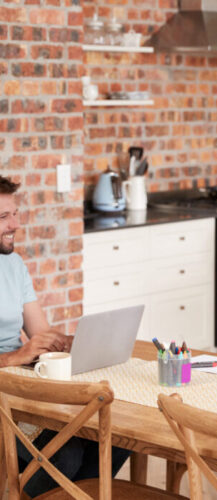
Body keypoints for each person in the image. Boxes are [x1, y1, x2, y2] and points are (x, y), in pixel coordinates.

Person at [0, 175, 129, 497]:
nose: (15, 224)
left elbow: (40, 332)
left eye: (15, 213)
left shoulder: (13, 264)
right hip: (5, 386)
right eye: (4, 217)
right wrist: (14, 357)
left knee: (118, 434)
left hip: (23, 380)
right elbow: (21, 352)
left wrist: (70, 342)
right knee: (65, 452)